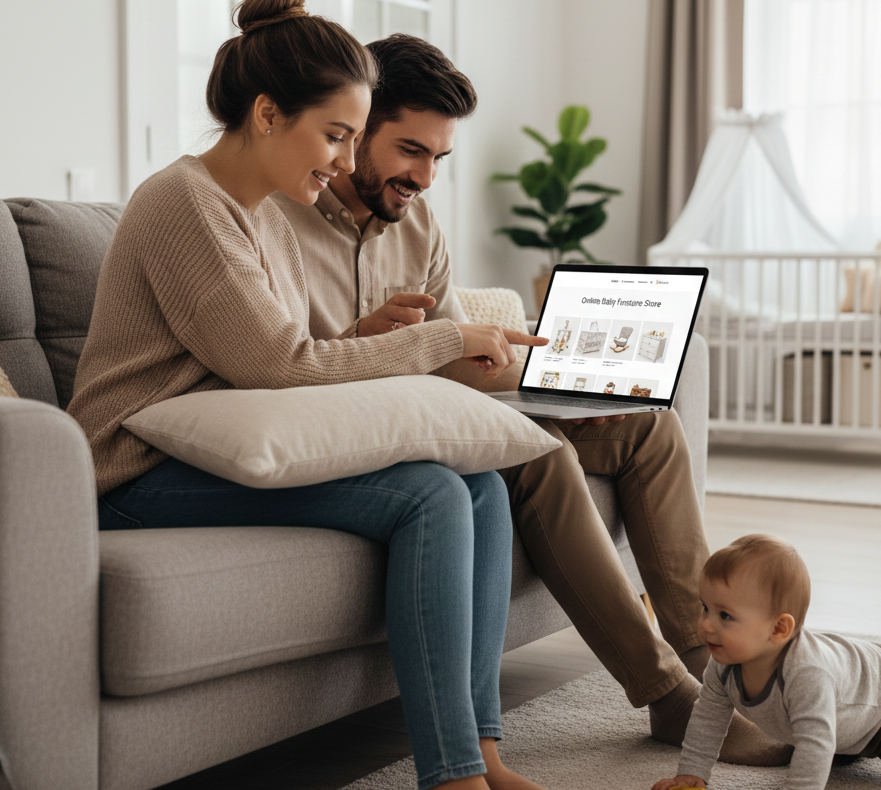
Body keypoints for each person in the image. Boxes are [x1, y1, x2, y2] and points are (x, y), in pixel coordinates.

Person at [67, 3, 551, 790]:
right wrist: (441, 340)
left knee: (483, 488)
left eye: (353, 139)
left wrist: (388, 343)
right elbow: (278, 365)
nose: (344, 159)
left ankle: (485, 752)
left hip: (220, 446)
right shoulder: (185, 204)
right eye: (335, 134)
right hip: (134, 469)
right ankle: (453, 776)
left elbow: (288, 363)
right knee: (428, 494)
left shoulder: (270, 220)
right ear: (266, 115)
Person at [272, 33, 791, 765]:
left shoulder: (415, 222)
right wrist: (376, 345)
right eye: (408, 151)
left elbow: (454, 355)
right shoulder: (278, 218)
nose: (423, 177)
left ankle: (715, 675)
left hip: (452, 414)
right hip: (374, 438)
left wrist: (556, 381)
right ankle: (668, 696)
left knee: (650, 428)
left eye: (437, 159)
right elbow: (288, 375)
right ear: (354, 128)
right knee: (543, 458)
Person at [652, 534, 881, 790]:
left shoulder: (806, 674)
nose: (706, 625)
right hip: (844, 712)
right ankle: (851, 741)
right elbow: (708, 717)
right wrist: (691, 774)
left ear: (779, 628)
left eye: (725, 616)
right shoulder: (724, 663)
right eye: (705, 608)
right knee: (821, 745)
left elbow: (814, 745)